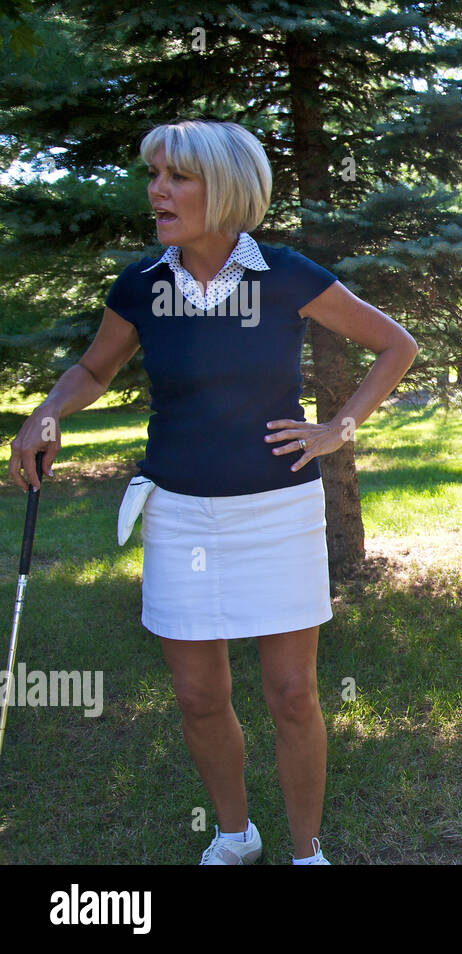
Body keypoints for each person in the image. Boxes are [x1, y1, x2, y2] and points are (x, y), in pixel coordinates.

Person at [7, 119, 418, 863]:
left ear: (223, 187)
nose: (157, 190)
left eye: (177, 176)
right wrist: (46, 413)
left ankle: (307, 851)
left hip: (279, 510)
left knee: (292, 695)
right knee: (198, 697)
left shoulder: (285, 274)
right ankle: (235, 834)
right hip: (178, 513)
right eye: (153, 175)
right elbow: (95, 370)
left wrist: (340, 427)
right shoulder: (141, 284)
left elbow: (397, 344)